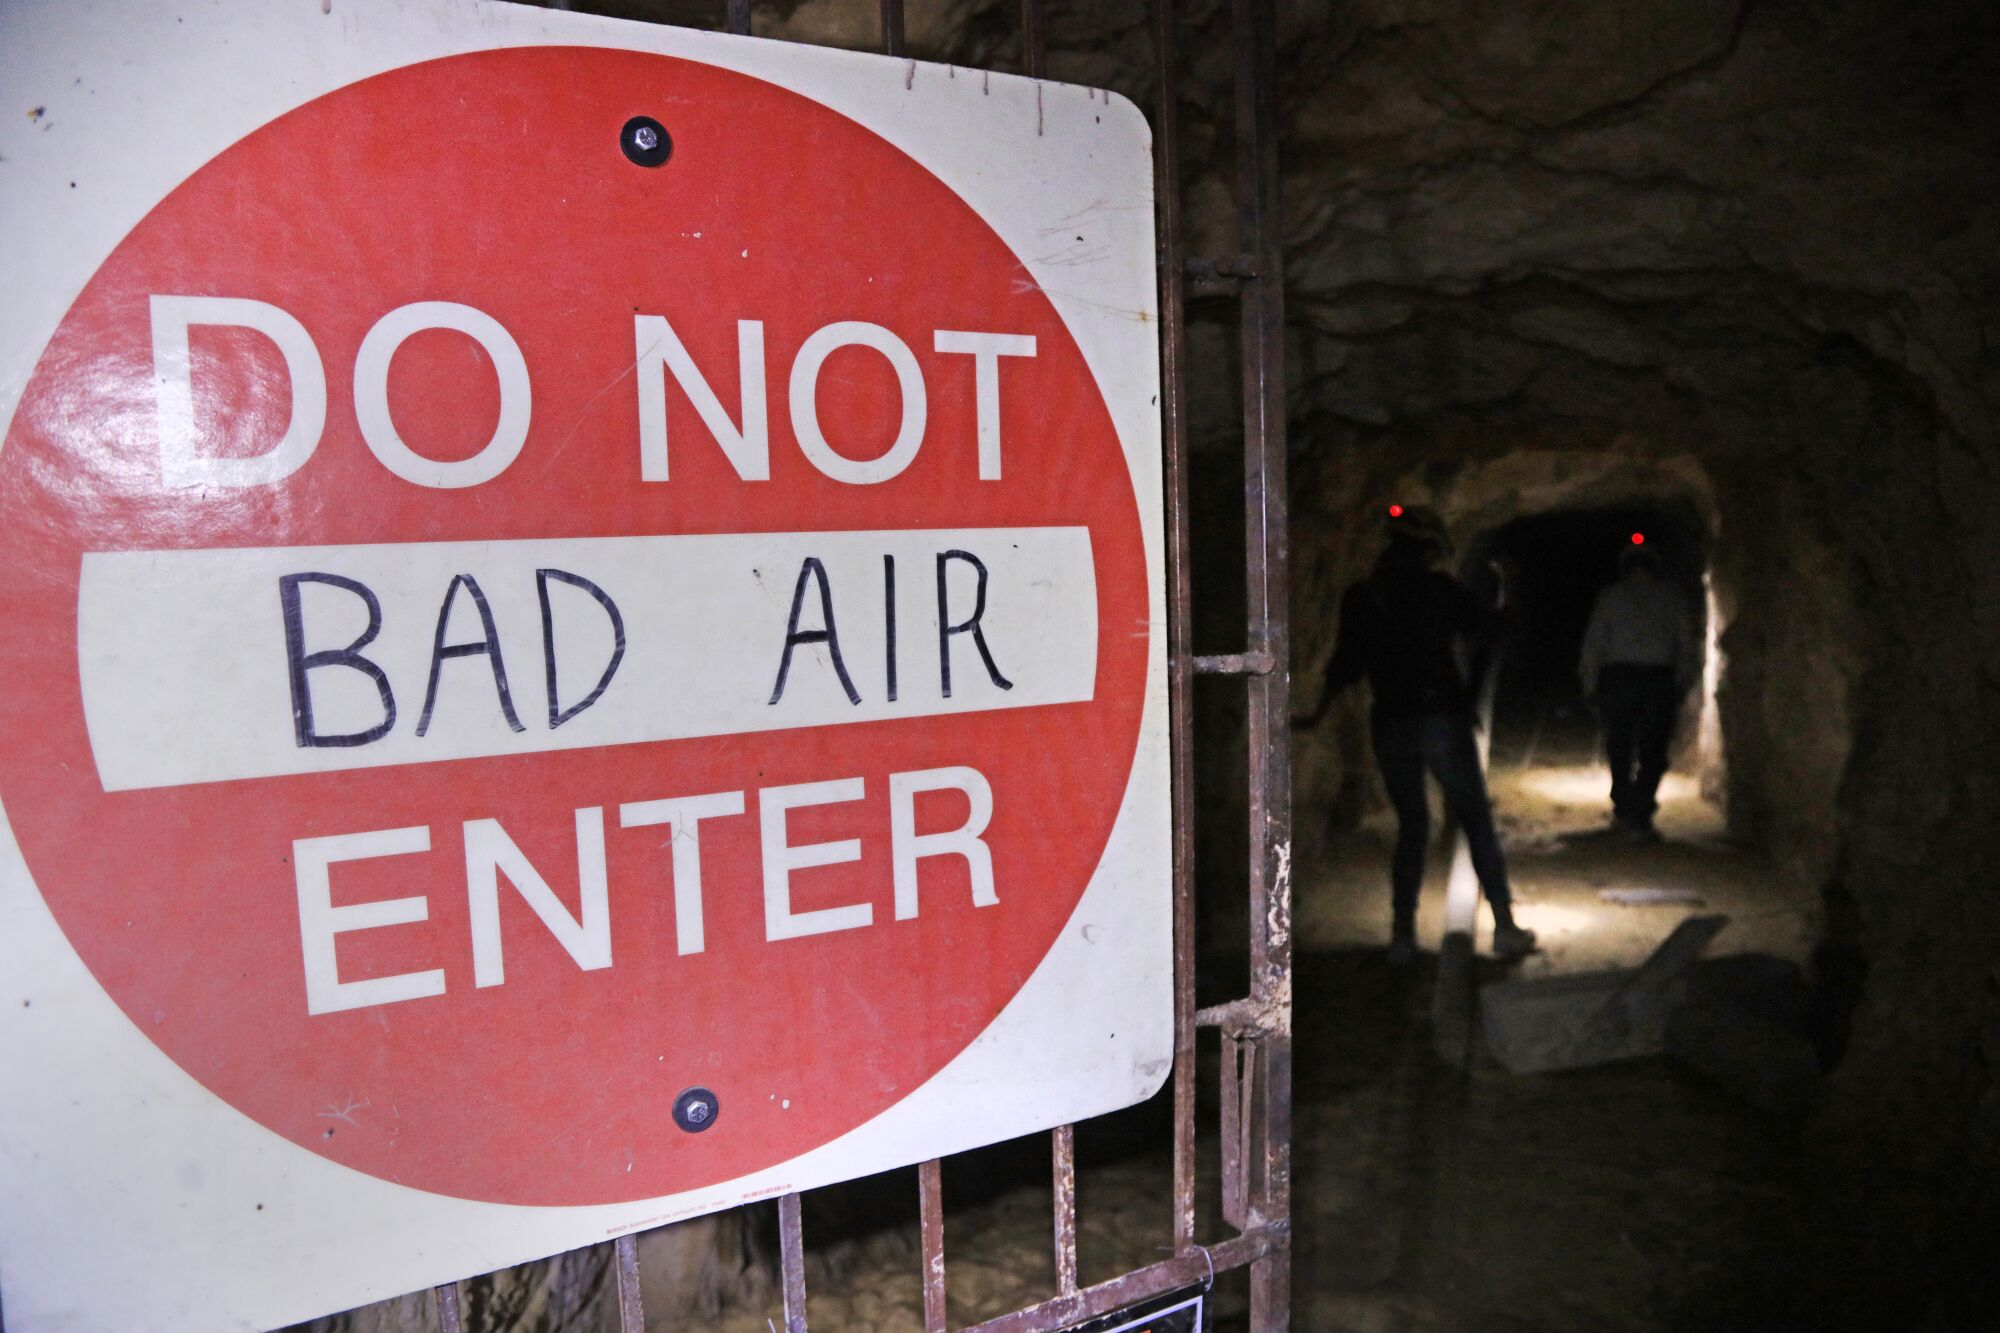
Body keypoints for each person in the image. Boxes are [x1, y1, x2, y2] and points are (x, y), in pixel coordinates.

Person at [1302, 506, 1536, 963]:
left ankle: (1402, 936)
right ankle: (1505, 927)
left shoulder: (1364, 596)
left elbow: (1344, 665)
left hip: (1391, 723)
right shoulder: (1439, 591)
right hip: (1441, 719)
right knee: (1473, 817)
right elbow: (1492, 628)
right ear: (1430, 550)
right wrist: (1508, 583)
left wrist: (1316, 714)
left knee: (1412, 826)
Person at [1577, 543, 1702, 840]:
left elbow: (1595, 642)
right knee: (1653, 748)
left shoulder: (1611, 596)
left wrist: (1589, 682)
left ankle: (1622, 807)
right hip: (1658, 679)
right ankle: (1642, 811)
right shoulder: (1671, 597)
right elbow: (1686, 643)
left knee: (1619, 744)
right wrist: (1684, 681)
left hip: (1618, 677)